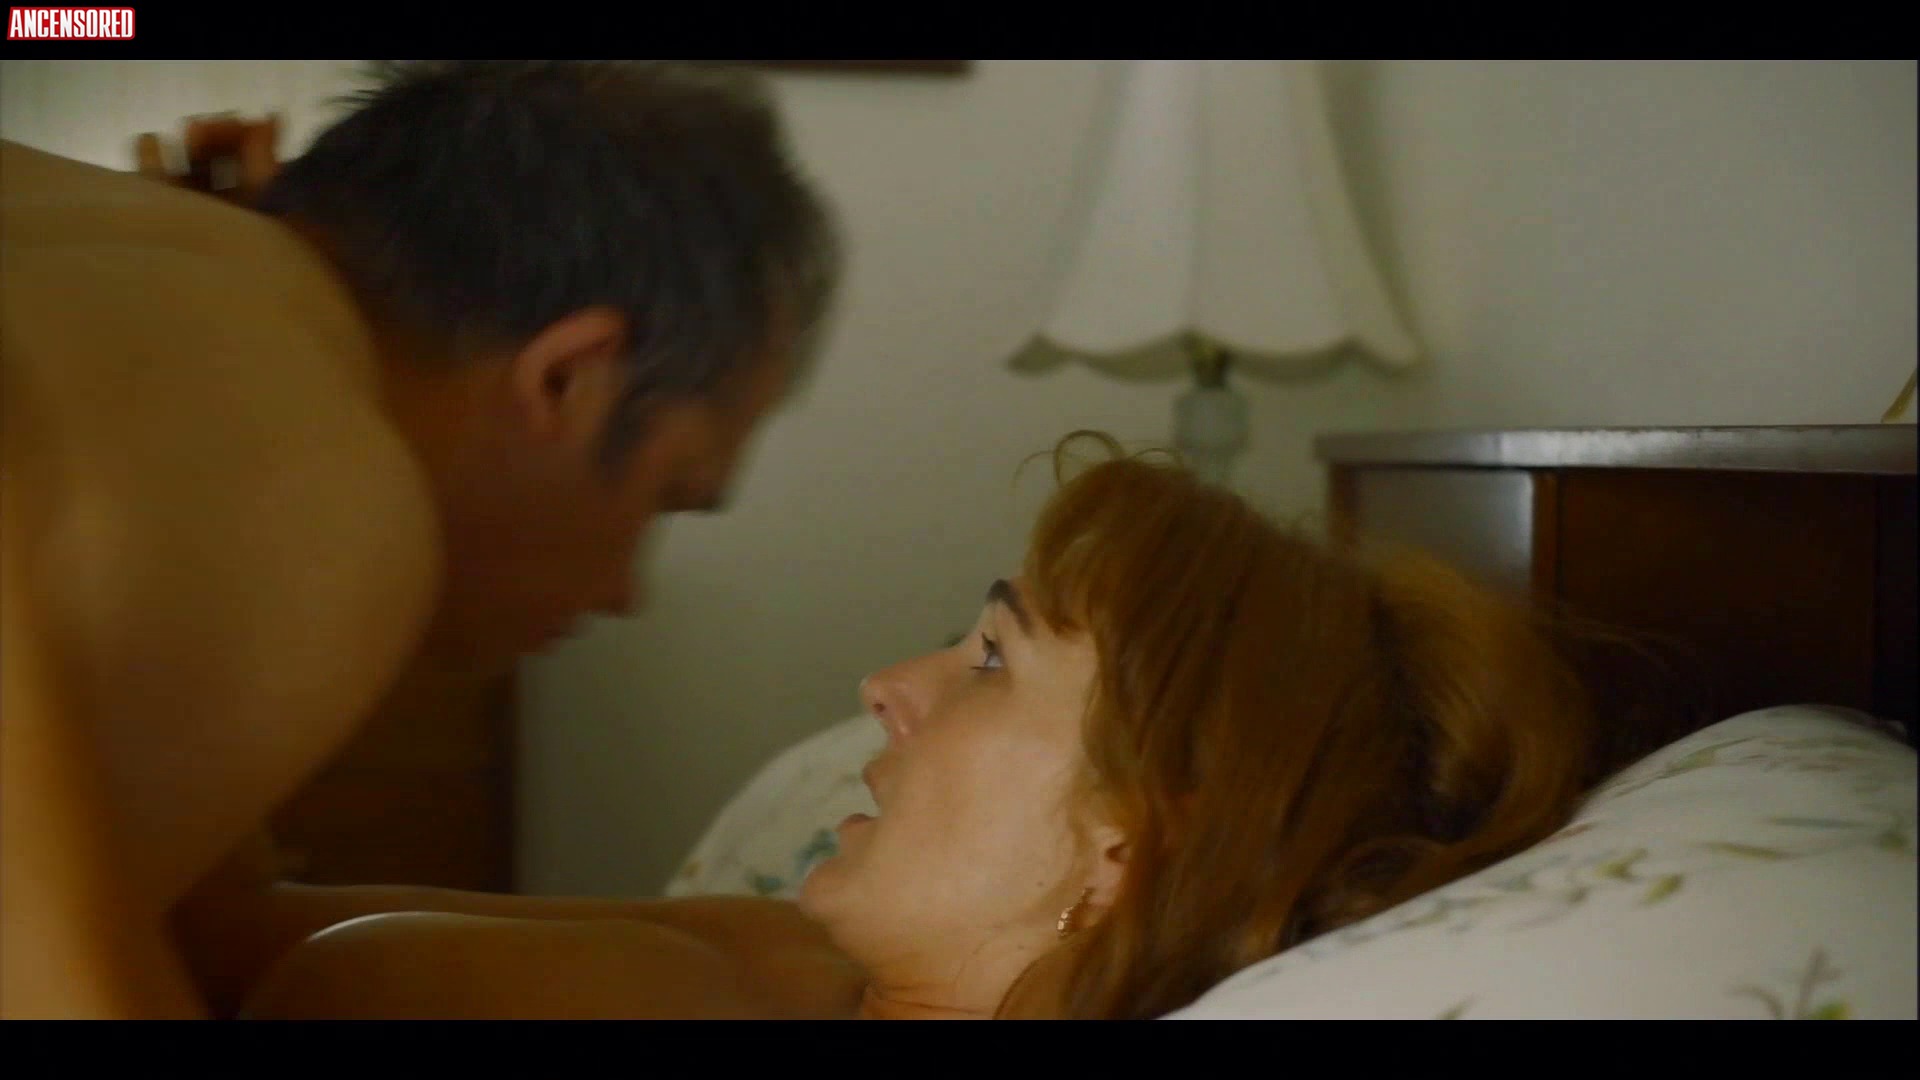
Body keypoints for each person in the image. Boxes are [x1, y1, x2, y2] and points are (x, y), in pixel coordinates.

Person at [240, 432, 1657, 1020]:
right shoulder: (781, 964)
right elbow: (256, 945)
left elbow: (330, 978)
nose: (886, 685)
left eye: (991, 660)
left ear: (1125, 843)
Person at [0, 60, 842, 1019]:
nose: (624, 593)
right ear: (568, 379)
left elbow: (209, 936)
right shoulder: (326, 471)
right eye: (668, 497)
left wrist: (735, 950)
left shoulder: (169, 281)